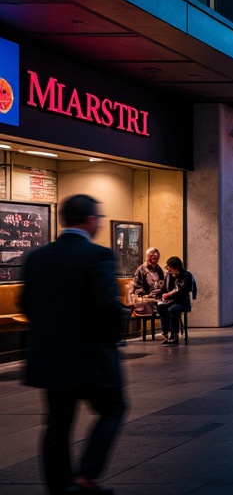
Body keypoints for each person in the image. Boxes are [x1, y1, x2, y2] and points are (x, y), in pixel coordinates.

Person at [22, 194, 126, 495]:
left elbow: (28, 304)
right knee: (113, 409)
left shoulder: (37, 257)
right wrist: (113, 334)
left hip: (50, 358)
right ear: (91, 220)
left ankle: (59, 487)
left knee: (57, 423)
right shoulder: (98, 255)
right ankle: (85, 476)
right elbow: (107, 306)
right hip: (92, 357)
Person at [157, 256, 195, 345]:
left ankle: (174, 335)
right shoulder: (169, 276)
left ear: (176, 267)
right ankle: (166, 331)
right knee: (161, 307)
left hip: (183, 302)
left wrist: (169, 294)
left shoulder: (186, 275)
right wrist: (161, 296)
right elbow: (164, 289)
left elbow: (182, 289)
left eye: (170, 267)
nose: (169, 270)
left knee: (172, 309)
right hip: (171, 301)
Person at [130, 246, 165, 314]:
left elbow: (162, 283)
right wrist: (146, 295)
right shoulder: (141, 270)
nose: (154, 259)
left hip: (157, 297)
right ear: (147, 257)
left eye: (156, 257)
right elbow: (137, 287)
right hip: (146, 297)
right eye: (151, 256)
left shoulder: (159, 269)